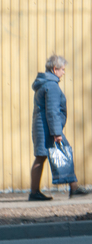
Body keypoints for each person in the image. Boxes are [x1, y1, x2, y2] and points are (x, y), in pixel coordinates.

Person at [29, 54, 88, 200]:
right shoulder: (51, 86)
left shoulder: (44, 84)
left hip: (43, 127)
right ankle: (35, 192)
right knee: (49, 155)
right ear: (55, 69)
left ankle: (73, 188)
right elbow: (52, 110)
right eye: (62, 69)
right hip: (48, 129)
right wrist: (56, 132)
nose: (63, 72)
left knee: (47, 156)